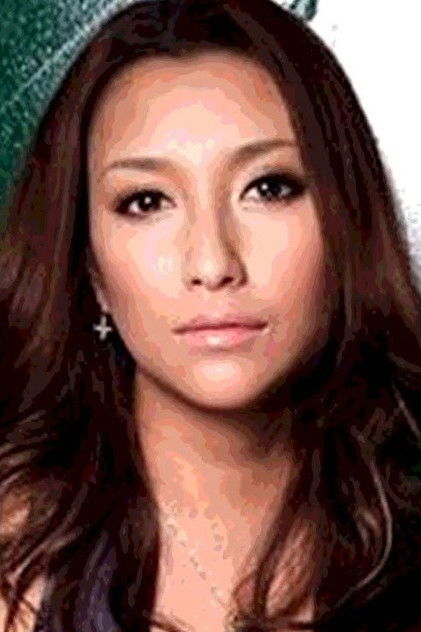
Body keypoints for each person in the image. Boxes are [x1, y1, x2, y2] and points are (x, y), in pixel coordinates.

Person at [0, 0, 420, 631]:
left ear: (345, 225)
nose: (213, 263)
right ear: (91, 270)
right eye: (147, 201)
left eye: (269, 187)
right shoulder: (17, 559)